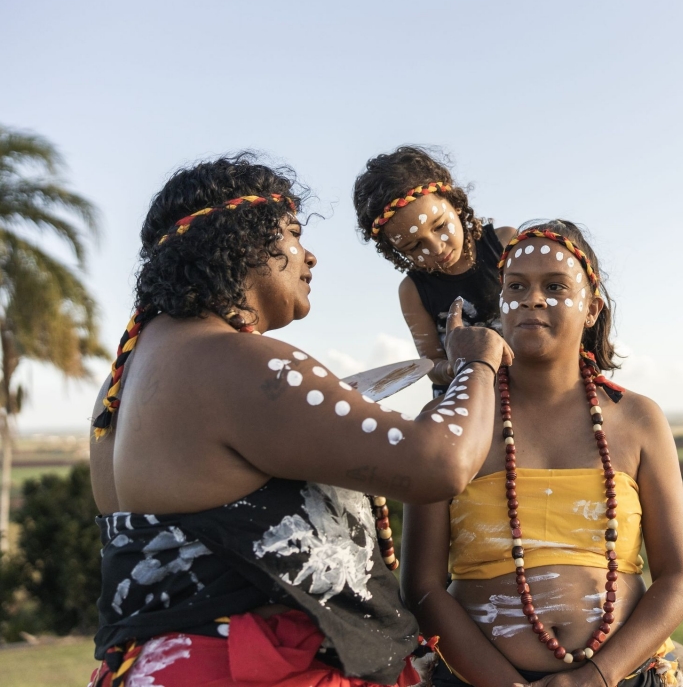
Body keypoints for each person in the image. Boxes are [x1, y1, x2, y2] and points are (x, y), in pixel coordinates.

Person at [87, 152, 512, 687]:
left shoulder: (123, 383)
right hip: (254, 669)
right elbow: (442, 464)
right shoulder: (234, 362)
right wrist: (477, 359)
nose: (309, 257)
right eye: (292, 232)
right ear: (242, 240)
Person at [400, 220, 683, 687]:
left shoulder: (638, 419)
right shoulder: (450, 419)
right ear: (500, 304)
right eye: (516, 286)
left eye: (555, 286)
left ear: (593, 309)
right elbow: (421, 586)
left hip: (622, 677)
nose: (531, 298)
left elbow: (679, 580)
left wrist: (593, 678)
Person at [353, 147, 516, 396]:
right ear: (397, 252)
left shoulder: (506, 245)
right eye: (415, 245)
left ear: (455, 203)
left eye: (439, 225)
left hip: (523, 385)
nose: (436, 247)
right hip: (462, 398)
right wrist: (462, 364)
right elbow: (432, 364)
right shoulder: (413, 291)